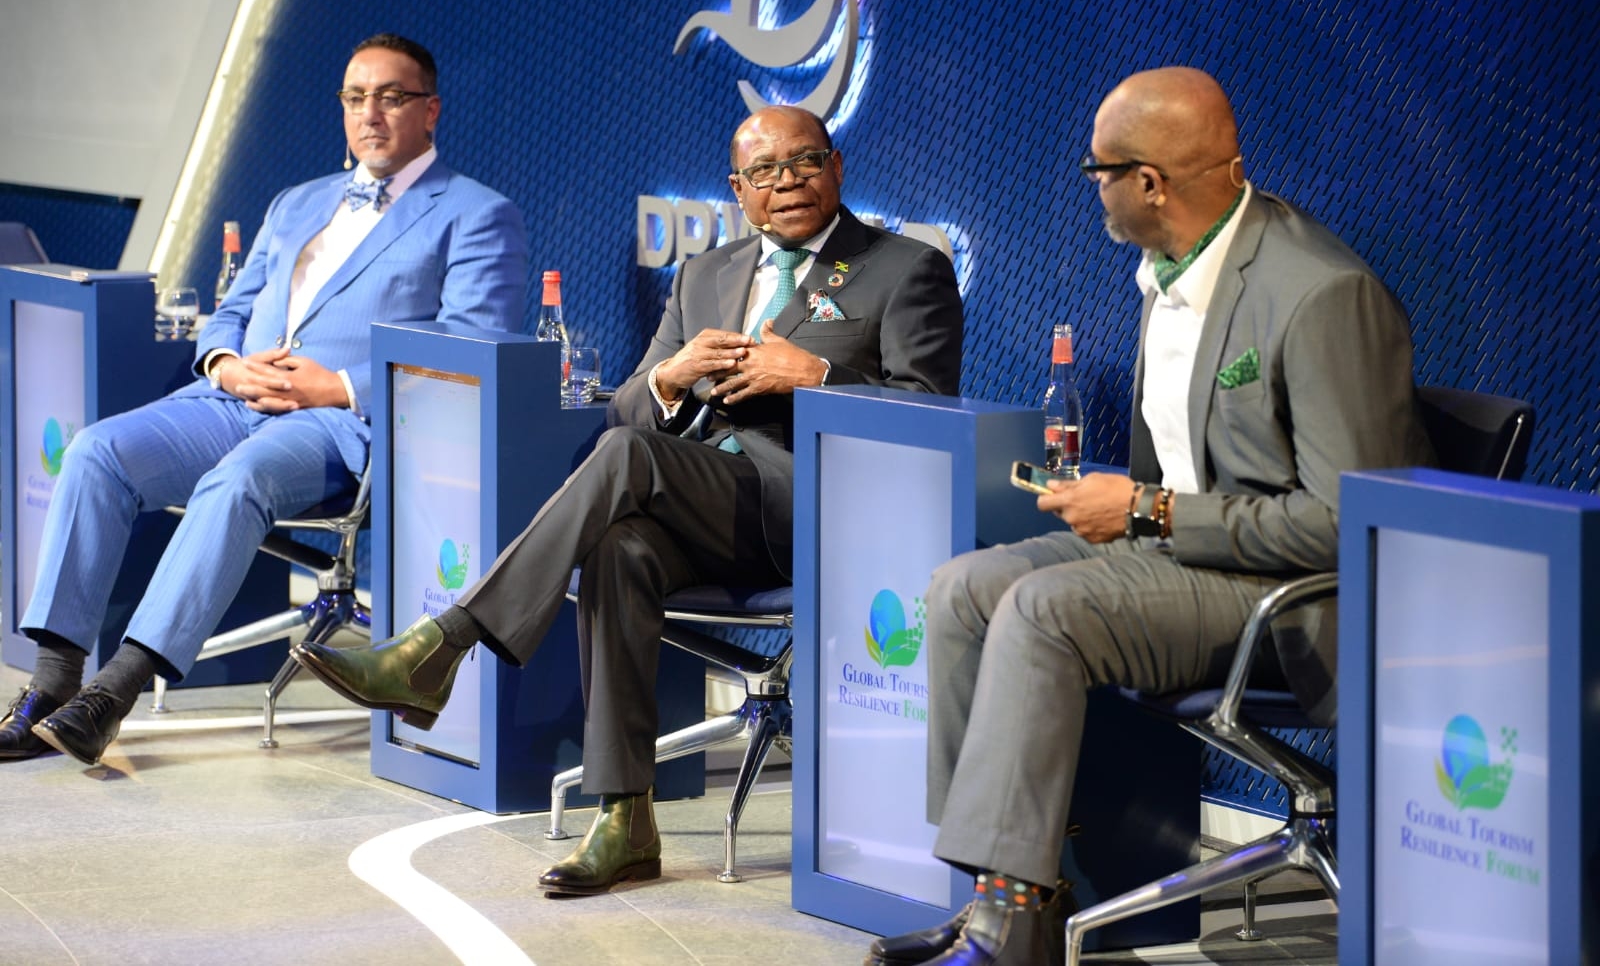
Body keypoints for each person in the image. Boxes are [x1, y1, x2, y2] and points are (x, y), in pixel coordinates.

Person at [293, 104, 964, 896]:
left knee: (623, 461)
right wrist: (671, 378)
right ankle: (625, 817)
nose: (787, 183)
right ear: (737, 190)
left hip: (810, 507)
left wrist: (815, 376)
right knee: (619, 548)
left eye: (805, 162)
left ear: (838, 167)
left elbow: (930, 412)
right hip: (697, 496)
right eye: (764, 172)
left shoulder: (903, 267)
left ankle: (440, 645)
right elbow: (628, 411)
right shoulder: (706, 274)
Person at [865, 67, 1436, 966]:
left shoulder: (1321, 294)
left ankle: (1010, 930)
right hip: (1179, 559)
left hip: (1285, 598)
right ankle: (1003, 890)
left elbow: (1342, 521)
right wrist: (1134, 511)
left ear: (1149, 183)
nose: (1092, 187)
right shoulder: (1171, 270)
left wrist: (1149, 509)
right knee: (961, 589)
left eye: (1098, 171)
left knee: (1042, 610)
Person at [0, 33, 528, 766]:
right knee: (95, 452)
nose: (369, 113)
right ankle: (54, 685)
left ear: (430, 110)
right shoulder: (297, 201)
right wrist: (225, 363)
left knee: (239, 479)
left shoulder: (475, 213)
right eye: (354, 97)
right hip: (233, 401)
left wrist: (340, 385)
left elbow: (475, 343)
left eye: (391, 97)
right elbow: (231, 309)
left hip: (340, 425)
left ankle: (114, 692)